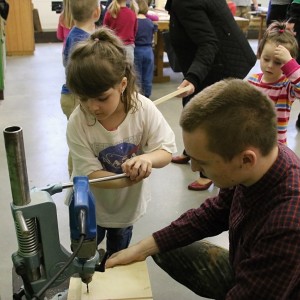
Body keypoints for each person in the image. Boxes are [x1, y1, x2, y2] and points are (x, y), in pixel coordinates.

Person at [106, 78, 300, 299]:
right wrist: (140, 249)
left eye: (203, 162)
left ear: (246, 159)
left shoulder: (288, 224)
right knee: (165, 246)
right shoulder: (258, 162)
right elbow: (213, 213)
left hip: (275, 287)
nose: (194, 167)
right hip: (249, 264)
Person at [65, 27, 176, 256]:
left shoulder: (143, 109)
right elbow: (90, 175)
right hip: (89, 207)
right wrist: (129, 179)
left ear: (122, 85)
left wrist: (146, 159)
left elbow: (166, 150)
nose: (92, 107)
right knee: (85, 258)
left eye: (102, 98)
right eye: (84, 98)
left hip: (126, 210)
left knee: (117, 257)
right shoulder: (78, 122)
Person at [165, 0, 256, 191]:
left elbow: (209, 43)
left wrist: (194, 77)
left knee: (206, 119)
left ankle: (206, 173)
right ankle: (190, 152)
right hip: (209, 61)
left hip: (220, 63)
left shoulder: (185, 4)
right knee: (190, 106)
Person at [60, 0, 100, 176]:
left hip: (69, 95)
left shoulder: (73, 34)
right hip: (76, 97)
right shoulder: (83, 40)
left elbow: (64, 62)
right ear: (97, 13)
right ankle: (75, 175)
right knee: (79, 140)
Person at [248, 21, 300, 144]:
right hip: (252, 142)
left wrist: (290, 64)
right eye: (266, 59)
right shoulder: (252, 80)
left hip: (276, 147)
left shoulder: (287, 86)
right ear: (260, 54)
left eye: (278, 62)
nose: (270, 66)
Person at [134, 0, 157, 98]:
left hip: (137, 50)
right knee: (148, 75)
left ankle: (138, 96)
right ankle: (147, 95)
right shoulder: (150, 22)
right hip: (148, 50)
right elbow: (154, 37)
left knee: (137, 75)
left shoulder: (134, 22)